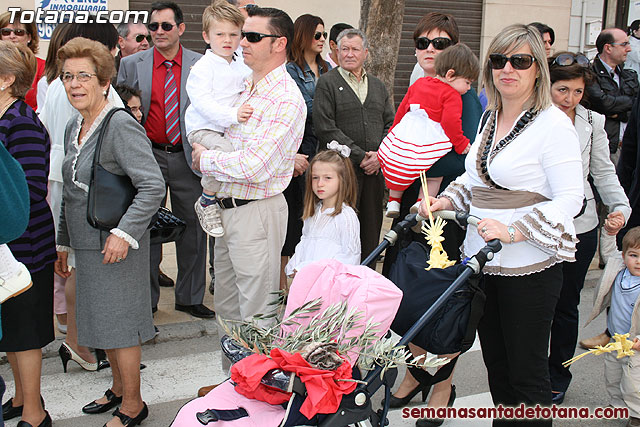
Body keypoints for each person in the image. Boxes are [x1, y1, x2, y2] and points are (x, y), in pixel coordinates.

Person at [418, 24, 583, 426]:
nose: (507, 69)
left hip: (527, 265)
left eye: (520, 61)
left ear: (538, 70)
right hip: (483, 260)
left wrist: (516, 231)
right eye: (499, 60)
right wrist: (444, 200)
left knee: (526, 378)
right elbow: (474, 180)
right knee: (499, 373)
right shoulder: (490, 118)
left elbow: (570, 199)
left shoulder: (553, 124)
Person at [54, 37, 164, 427]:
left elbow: (152, 185)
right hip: (87, 246)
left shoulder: (119, 125)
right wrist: (63, 241)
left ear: (104, 82)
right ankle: (118, 388)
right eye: (68, 76)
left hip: (118, 245)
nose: (75, 84)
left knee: (121, 327)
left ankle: (134, 405)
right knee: (101, 322)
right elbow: (71, 190)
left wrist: (125, 233)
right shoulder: (73, 125)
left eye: (84, 75)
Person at [191, 6, 305, 374]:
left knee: (257, 312)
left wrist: (204, 158)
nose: (242, 42)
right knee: (227, 306)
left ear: (279, 44)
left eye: (253, 36)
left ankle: (260, 395)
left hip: (256, 211)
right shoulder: (243, 85)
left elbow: (254, 166)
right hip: (226, 210)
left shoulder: (285, 98)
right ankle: (234, 384)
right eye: (243, 35)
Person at [381, 14, 483, 416]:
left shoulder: (466, 98)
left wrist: (416, 156)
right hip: (413, 205)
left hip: (447, 209)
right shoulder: (417, 88)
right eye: (421, 42)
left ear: (454, 53)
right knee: (407, 295)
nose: (428, 49)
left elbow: (465, 157)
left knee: (441, 302)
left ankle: (441, 388)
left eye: (439, 44)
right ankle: (413, 374)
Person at [118, 2, 214, 319]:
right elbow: (122, 111)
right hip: (148, 157)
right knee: (147, 230)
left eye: (165, 26)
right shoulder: (132, 64)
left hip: (188, 157)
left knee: (194, 231)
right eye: (153, 26)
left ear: (181, 29)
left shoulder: (202, 65)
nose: (158, 32)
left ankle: (189, 297)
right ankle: (146, 301)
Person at [38, 22, 124, 372]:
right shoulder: (90, 95)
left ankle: (79, 339)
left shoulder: (56, 87)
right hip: (88, 185)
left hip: (63, 176)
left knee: (74, 265)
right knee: (79, 268)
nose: (76, 82)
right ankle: (80, 341)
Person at [546, 52, 631, 405]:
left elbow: (603, 171)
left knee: (566, 305)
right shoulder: (533, 117)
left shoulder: (592, 122)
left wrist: (620, 206)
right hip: (535, 227)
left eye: (577, 91)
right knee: (534, 305)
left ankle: (557, 374)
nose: (569, 99)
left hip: (580, 226)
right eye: (562, 89)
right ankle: (528, 371)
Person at [0, 41, 55, 427]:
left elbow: (32, 188)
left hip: (26, 249)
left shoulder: (20, 121)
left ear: (6, 80)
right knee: (13, 335)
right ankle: (20, 399)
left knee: (25, 334)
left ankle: (35, 414)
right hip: (8, 248)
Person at [314, 28, 394, 260]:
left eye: (355, 49)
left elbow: (391, 123)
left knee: (370, 232)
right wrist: (361, 156)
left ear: (366, 53)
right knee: (339, 233)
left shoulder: (378, 86)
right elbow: (324, 127)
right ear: (336, 52)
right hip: (341, 173)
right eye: (344, 49)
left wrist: (380, 156)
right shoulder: (327, 83)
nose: (349, 54)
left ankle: (365, 287)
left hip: (374, 173)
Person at [379, 43, 477, 218]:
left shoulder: (419, 83)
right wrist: (461, 143)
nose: (469, 88)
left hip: (407, 132)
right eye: (467, 82)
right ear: (450, 75)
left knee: (400, 165)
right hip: (429, 138)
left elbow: (402, 108)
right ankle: (422, 202)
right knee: (434, 175)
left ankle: (393, 201)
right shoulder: (452, 94)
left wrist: (394, 130)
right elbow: (450, 122)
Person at [186, 0, 252, 238]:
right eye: (220, 34)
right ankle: (206, 200)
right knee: (225, 152)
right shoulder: (202, 68)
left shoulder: (241, 63)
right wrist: (233, 114)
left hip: (228, 126)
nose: (227, 40)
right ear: (206, 36)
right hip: (204, 128)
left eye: (233, 34)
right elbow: (203, 104)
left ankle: (220, 196)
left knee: (235, 152)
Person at [281, 13, 331, 290]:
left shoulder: (327, 68)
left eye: (324, 35)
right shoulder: (290, 71)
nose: (322, 40)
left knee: (317, 221)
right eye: (317, 35)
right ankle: (286, 289)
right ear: (303, 36)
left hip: (325, 152)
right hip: (301, 151)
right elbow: (303, 111)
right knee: (294, 222)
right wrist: (326, 113)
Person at [584, 227, 640, 427]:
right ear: (624, 256)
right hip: (616, 340)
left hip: (635, 344)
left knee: (633, 382)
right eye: (634, 255)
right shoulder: (618, 268)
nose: (638, 261)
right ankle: (618, 405)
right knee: (613, 376)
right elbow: (608, 251)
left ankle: (636, 416)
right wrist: (608, 232)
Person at [285, 143, 360, 276]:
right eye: (315, 178)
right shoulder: (313, 212)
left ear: (343, 180)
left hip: (328, 286)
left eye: (328, 178)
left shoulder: (346, 216)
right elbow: (304, 241)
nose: (320, 184)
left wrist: (308, 269)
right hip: (307, 283)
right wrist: (295, 265)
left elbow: (350, 258)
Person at [0, 11, 45, 111]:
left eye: (19, 32)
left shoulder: (42, 67)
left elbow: (46, 105)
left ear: (29, 37)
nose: (12, 36)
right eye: (6, 32)